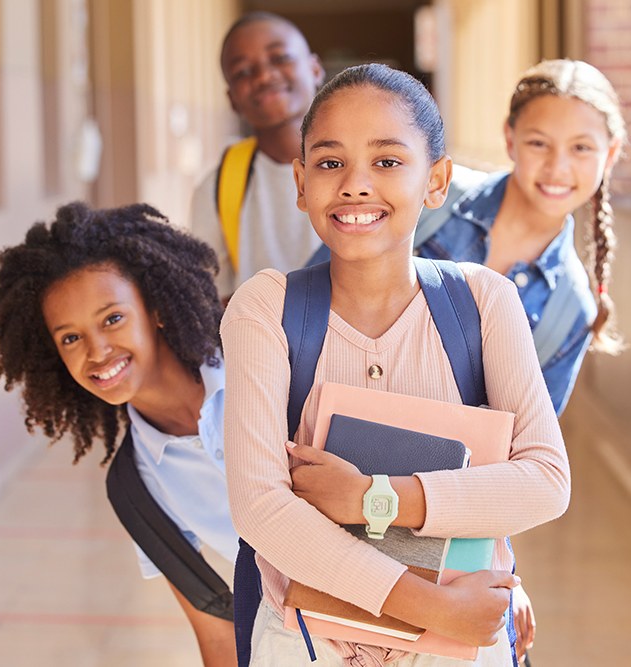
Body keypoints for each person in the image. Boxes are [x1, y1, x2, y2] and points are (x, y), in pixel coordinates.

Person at [221, 63, 570, 665]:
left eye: (387, 161)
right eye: (330, 163)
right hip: (308, 638)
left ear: (436, 181)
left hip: (458, 643)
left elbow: (545, 482)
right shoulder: (266, 307)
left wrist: (371, 499)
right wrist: (428, 606)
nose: (355, 184)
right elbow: (260, 506)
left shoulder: (485, 303)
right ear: (300, 182)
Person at [0, 202, 238, 667]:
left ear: (157, 310)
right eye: (70, 338)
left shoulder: (263, 365)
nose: (97, 352)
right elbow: (219, 637)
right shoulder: (136, 489)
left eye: (112, 319)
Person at [417, 59, 626, 418]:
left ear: (610, 154)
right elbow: (309, 303)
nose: (557, 168)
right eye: (538, 143)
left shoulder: (570, 311)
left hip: (437, 473)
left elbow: (524, 453)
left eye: (581, 148)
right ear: (510, 139)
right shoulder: (429, 197)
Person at [191, 11, 326, 299]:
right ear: (232, 99)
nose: (264, 76)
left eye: (280, 59)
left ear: (314, 69)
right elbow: (212, 300)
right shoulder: (218, 188)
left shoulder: (369, 164)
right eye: (243, 72)